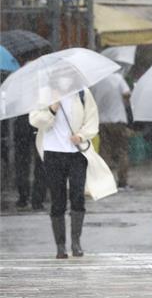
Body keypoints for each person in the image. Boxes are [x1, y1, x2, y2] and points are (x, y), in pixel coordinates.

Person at [29, 88, 117, 258]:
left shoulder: (82, 93)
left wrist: (82, 135)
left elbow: (92, 119)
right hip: (52, 152)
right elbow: (35, 121)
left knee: (78, 196)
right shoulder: (44, 94)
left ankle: (76, 243)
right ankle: (60, 246)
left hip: (77, 153)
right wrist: (52, 109)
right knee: (58, 199)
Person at [90, 71, 133, 189]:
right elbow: (127, 93)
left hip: (102, 121)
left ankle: (105, 182)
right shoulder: (118, 78)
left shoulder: (95, 81)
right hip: (118, 119)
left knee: (105, 151)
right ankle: (122, 182)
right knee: (122, 151)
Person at [13, 114, 47, 211]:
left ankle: (24, 198)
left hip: (24, 121)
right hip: (39, 120)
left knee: (22, 162)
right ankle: (37, 200)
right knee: (41, 162)